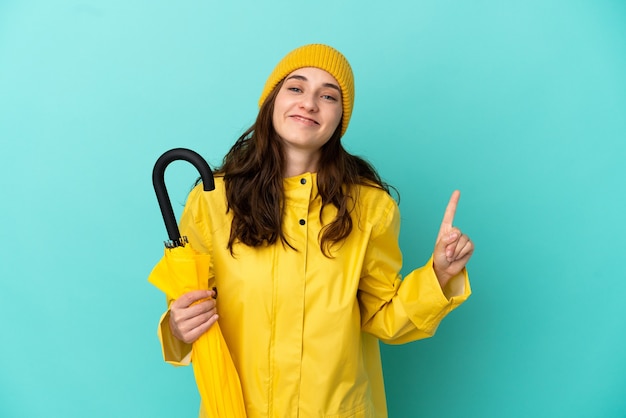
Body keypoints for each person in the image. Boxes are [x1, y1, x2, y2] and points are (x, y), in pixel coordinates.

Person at [155, 44, 473, 418]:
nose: (309, 103)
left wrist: (439, 276)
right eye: (296, 88)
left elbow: (385, 317)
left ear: (341, 116)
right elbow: (191, 311)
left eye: (328, 95)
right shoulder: (212, 200)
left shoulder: (369, 207)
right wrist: (178, 326)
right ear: (272, 100)